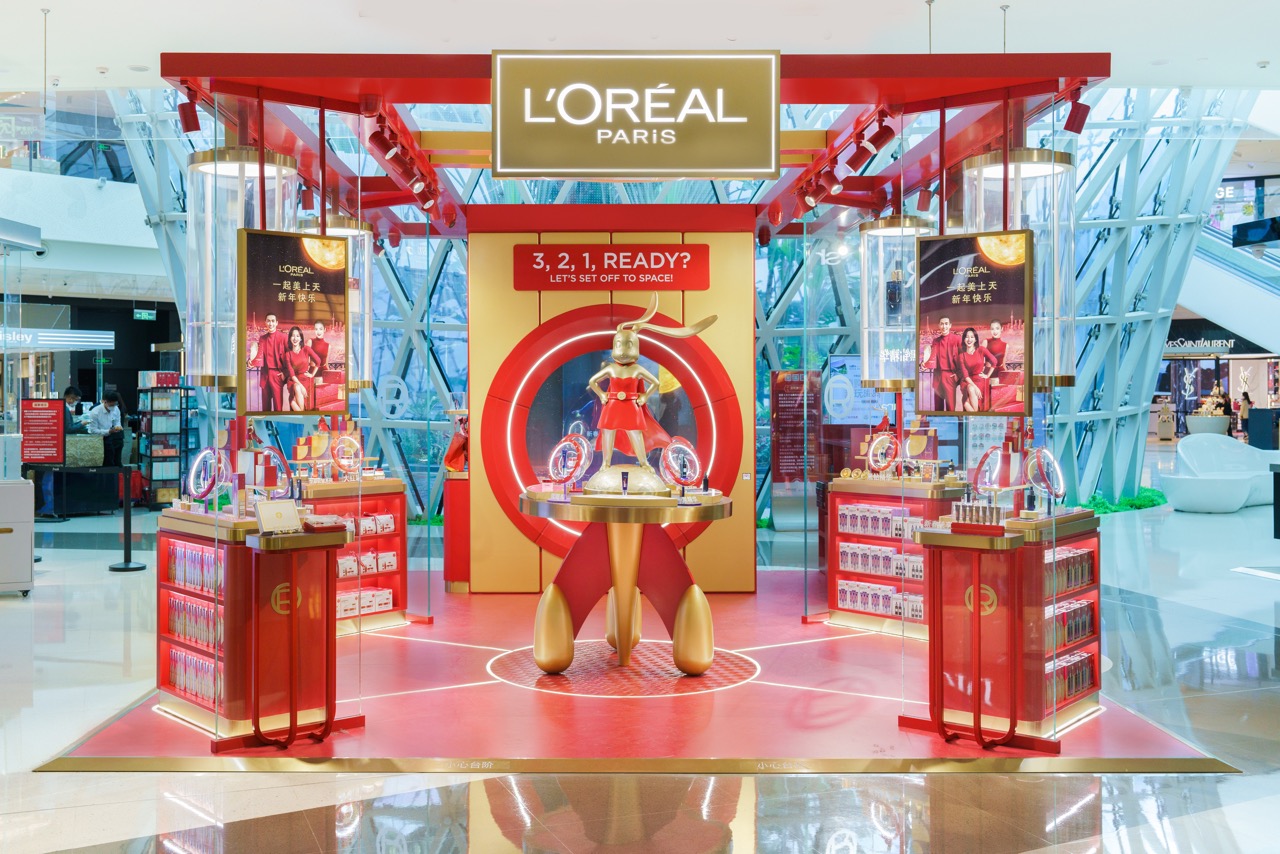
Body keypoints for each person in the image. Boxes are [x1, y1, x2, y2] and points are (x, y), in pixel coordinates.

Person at [246, 314, 287, 411]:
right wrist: (250, 362)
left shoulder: (283, 337)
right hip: (265, 374)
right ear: (265, 323)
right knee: (265, 408)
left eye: (273, 321)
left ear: (276, 323)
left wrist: (285, 373)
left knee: (278, 408)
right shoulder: (262, 338)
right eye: (268, 321)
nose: (270, 323)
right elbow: (258, 355)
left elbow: (289, 357)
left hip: (277, 375)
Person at [919, 316, 960, 411]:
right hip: (937, 376)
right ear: (939, 326)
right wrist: (924, 364)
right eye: (942, 324)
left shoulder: (957, 339)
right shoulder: (935, 341)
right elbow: (931, 358)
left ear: (950, 325)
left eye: (946, 324)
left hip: (950, 377)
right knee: (938, 408)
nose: (944, 326)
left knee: (951, 408)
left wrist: (959, 374)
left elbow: (963, 358)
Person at [955, 327, 998, 412]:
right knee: (970, 388)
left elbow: (994, 361)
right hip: (966, 381)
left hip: (979, 380)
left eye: (972, 337)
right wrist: (976, 388)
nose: (969, 339)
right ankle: (976, 414)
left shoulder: (981, 349)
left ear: (975, 339)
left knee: (965, 403)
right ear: (964, 339)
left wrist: (987, 375)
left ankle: (974, 414)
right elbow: (965, 375)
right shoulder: (961, 356)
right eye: (967, 337)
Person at [282, 325, 322, 411]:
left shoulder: (306, 349)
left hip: (304, 379)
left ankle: (299, 410)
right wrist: (301, 387)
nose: (295, 338)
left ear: (301, 338)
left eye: (297, 336)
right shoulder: (288, 354)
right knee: (296, 387)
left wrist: (312, 374)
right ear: (290, 338)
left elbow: (318, 361)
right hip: (293, 380)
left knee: (292, 400)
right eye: (293, 336)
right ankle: (303, 413)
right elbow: (292, 374)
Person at [86, 391, 125, 466]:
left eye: (115, 404)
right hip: (100, 439)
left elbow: (117, 421)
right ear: (105, 402)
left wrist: (117, 427)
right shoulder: (95, 412)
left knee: (117, 461)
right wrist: (108, 431)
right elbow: (93, 430)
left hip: (113, 437)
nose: (113, 406)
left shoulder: (116, 409)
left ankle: (116, 472)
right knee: (107, 462)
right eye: (111, 404)